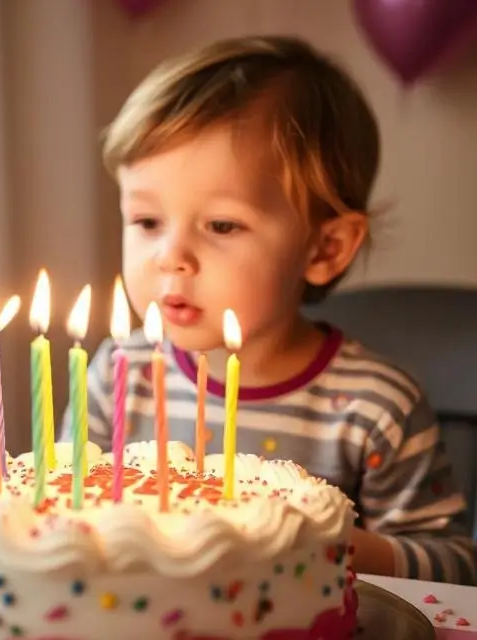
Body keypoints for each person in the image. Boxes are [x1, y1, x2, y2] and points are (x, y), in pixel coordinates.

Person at [60, 34, 476, 585]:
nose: (171, 259)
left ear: (325, 249)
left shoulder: (374, 407)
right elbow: (58, 518)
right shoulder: (118, 376)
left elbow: (454, 567)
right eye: (147, 221)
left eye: (222, 225)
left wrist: (328, 546)